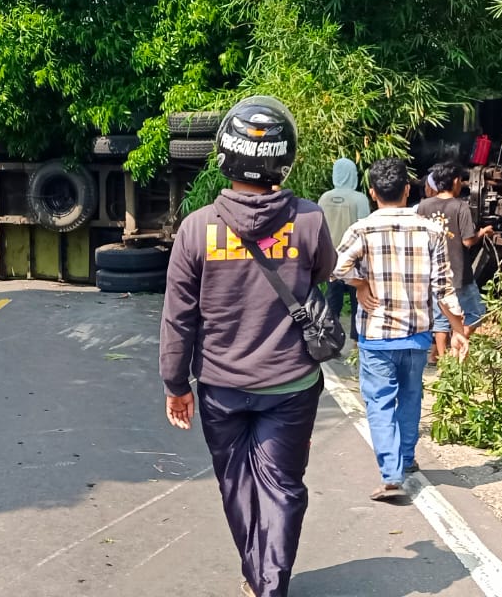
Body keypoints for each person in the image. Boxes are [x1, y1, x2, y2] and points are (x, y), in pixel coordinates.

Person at [160, 95, 335, 597]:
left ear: (225, 155)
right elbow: (322, 272)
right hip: (292, 384)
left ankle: (261, 579)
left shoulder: (196, 229)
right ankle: (269, 581)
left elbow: (178, 316)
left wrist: (176, 384)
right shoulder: (308, 220)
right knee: (282, 489)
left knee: (237, 486)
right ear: (285, 157)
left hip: (221, 387)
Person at [333, 157, 465, 502]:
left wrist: (359, 283)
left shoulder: (361, 230)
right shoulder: (431, 231)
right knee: (411, 397)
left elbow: (335, 269)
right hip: (418, 334)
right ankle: (406, 460)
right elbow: (444, 286)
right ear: (408, 190)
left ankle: (391, 474)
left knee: (379, 402)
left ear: (373, 193)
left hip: (377, 334)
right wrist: (458, 329)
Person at [417, 162, 493, 362]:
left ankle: (442, 360)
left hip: (432, 270)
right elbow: (468, 241)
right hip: (458, 270)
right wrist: (482, 233)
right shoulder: (460, 206)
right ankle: (456, 347)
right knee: (477, 312)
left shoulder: (424, 205)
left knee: (441, 316)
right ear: (456, 181)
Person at [317, 157, 370, 340]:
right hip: (355, 258)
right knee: (358, 300)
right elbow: (366, 228)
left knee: (332, 299)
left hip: (331, 257)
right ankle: (357, 340)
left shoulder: (324, 198)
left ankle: (330, 337)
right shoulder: (360, 199)